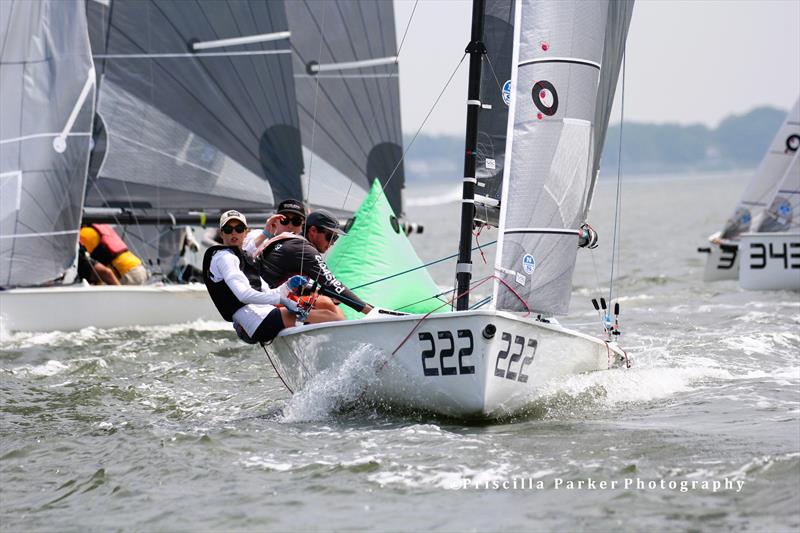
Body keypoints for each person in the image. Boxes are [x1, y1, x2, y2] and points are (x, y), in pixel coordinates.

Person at [202, 210, 336, 344]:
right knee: (328, 316)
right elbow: (243, 295)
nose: (233, 233)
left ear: (245, 232)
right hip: (259, 321)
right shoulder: (225, 258)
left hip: (262, 317)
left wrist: (287, 286)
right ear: (221, 233)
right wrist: (284, 301)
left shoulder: (239, 257)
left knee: (323, 313)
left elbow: (265, 290)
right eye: (228, 229)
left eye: (239, 228)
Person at [257, 209, 374, 317]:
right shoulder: (305, 250)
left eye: (335, 238)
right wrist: (371, 312)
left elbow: (282, 279)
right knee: (328, 307)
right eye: (330, 237)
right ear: (313, 231)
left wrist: (320, 291)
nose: (332, 243)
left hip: (263, 302)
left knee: (327, 304)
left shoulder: (292, 242)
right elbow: (333, 284)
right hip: (265, 308)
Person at [79, 224, 149, 285]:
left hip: (125, 273)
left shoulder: (83, 235)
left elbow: (82, 261)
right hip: (138, 268)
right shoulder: (100, 228)